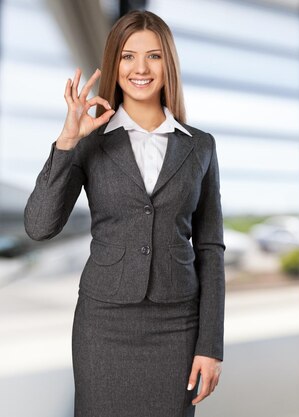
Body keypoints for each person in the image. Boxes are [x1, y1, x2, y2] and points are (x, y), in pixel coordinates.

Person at [23, 10, 224, 417]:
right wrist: (66, 142)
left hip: (177, 325)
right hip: (104, 324)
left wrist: (210, 345)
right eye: (128, 56)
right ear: (114, 64)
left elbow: (211, 248)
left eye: (153, 56)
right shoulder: (88, 140)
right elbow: (40, 226)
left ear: (168, 64)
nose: (140, 68)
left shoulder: (200, 147)